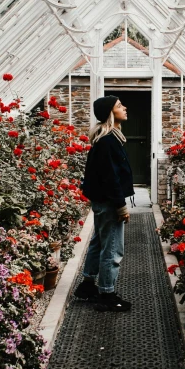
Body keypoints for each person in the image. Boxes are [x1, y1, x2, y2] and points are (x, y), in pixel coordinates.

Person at [73, 95, 135, 312]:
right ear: (110, 113)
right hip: (109, 202)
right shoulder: (108, 141)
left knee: (99, 242)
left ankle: (88, 285)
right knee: (112, 249)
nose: (125, 107)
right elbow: (111, 177)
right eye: (120, 105)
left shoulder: (107, 138)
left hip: (102, 200)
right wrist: (121, 206)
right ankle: (106, 294)